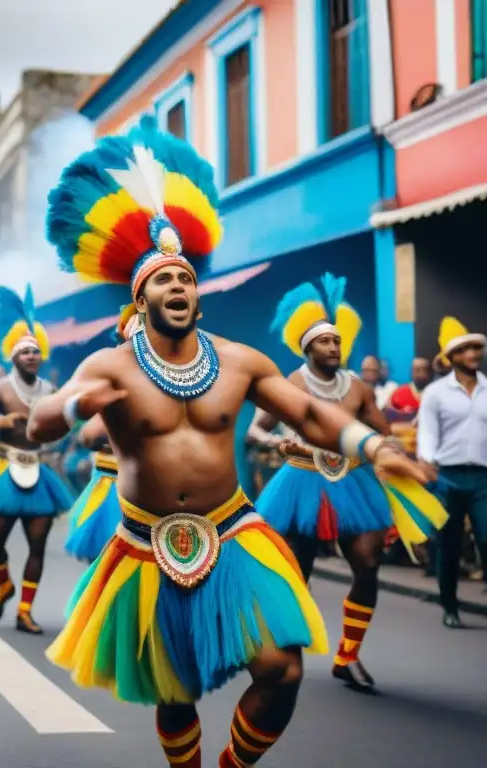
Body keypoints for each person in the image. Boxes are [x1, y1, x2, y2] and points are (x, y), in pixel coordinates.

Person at [34, 116, 431, 767]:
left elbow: (310, 413)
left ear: (199, 296)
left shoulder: (241, 361)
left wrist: (372, 445)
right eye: (164, 280)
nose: (178, 286)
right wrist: (78, 403)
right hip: (145, 542)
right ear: (141, 297)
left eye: (186, 279)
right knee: (175, 692)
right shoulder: (110, 366)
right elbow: (41, 423)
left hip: (233, 531)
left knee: (283, 670)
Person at [250, 273, 445, 692]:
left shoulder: (358, 388)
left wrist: (402, 453)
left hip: (353, 482)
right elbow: (255, 429)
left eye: (337, 341)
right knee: (297, 572)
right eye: (324, 341)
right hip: (301, 482)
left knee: (369, 566)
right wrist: (276, 442)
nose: (333, 347)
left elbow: (382, 432)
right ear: (308, 348)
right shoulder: (291, 384)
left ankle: (348, 656)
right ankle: (285, 650)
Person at [0, 284, 74, 635]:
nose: (31, 356)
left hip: (38, 471)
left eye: (36, 351)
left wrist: (58, 429)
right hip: (3, 469)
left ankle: (25, 610)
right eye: (24, 352)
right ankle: (4, 585)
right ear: (13, 357)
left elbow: (65, 425)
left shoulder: (50, 392)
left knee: (38, 544)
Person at [417, 316, 487, 628]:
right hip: (446, 477)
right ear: (452, 357)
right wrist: (427, 463)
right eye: (465, 350)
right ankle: (450, 607)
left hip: (483, 479)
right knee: (448, 545)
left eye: (476, 349)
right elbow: (428, 434)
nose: (473, 354)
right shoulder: (435, 393)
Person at [63, 306, 139, 563]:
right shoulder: (111, 374)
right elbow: (90, 434)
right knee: (110, 564)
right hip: (114, 484)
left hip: (162, 492)